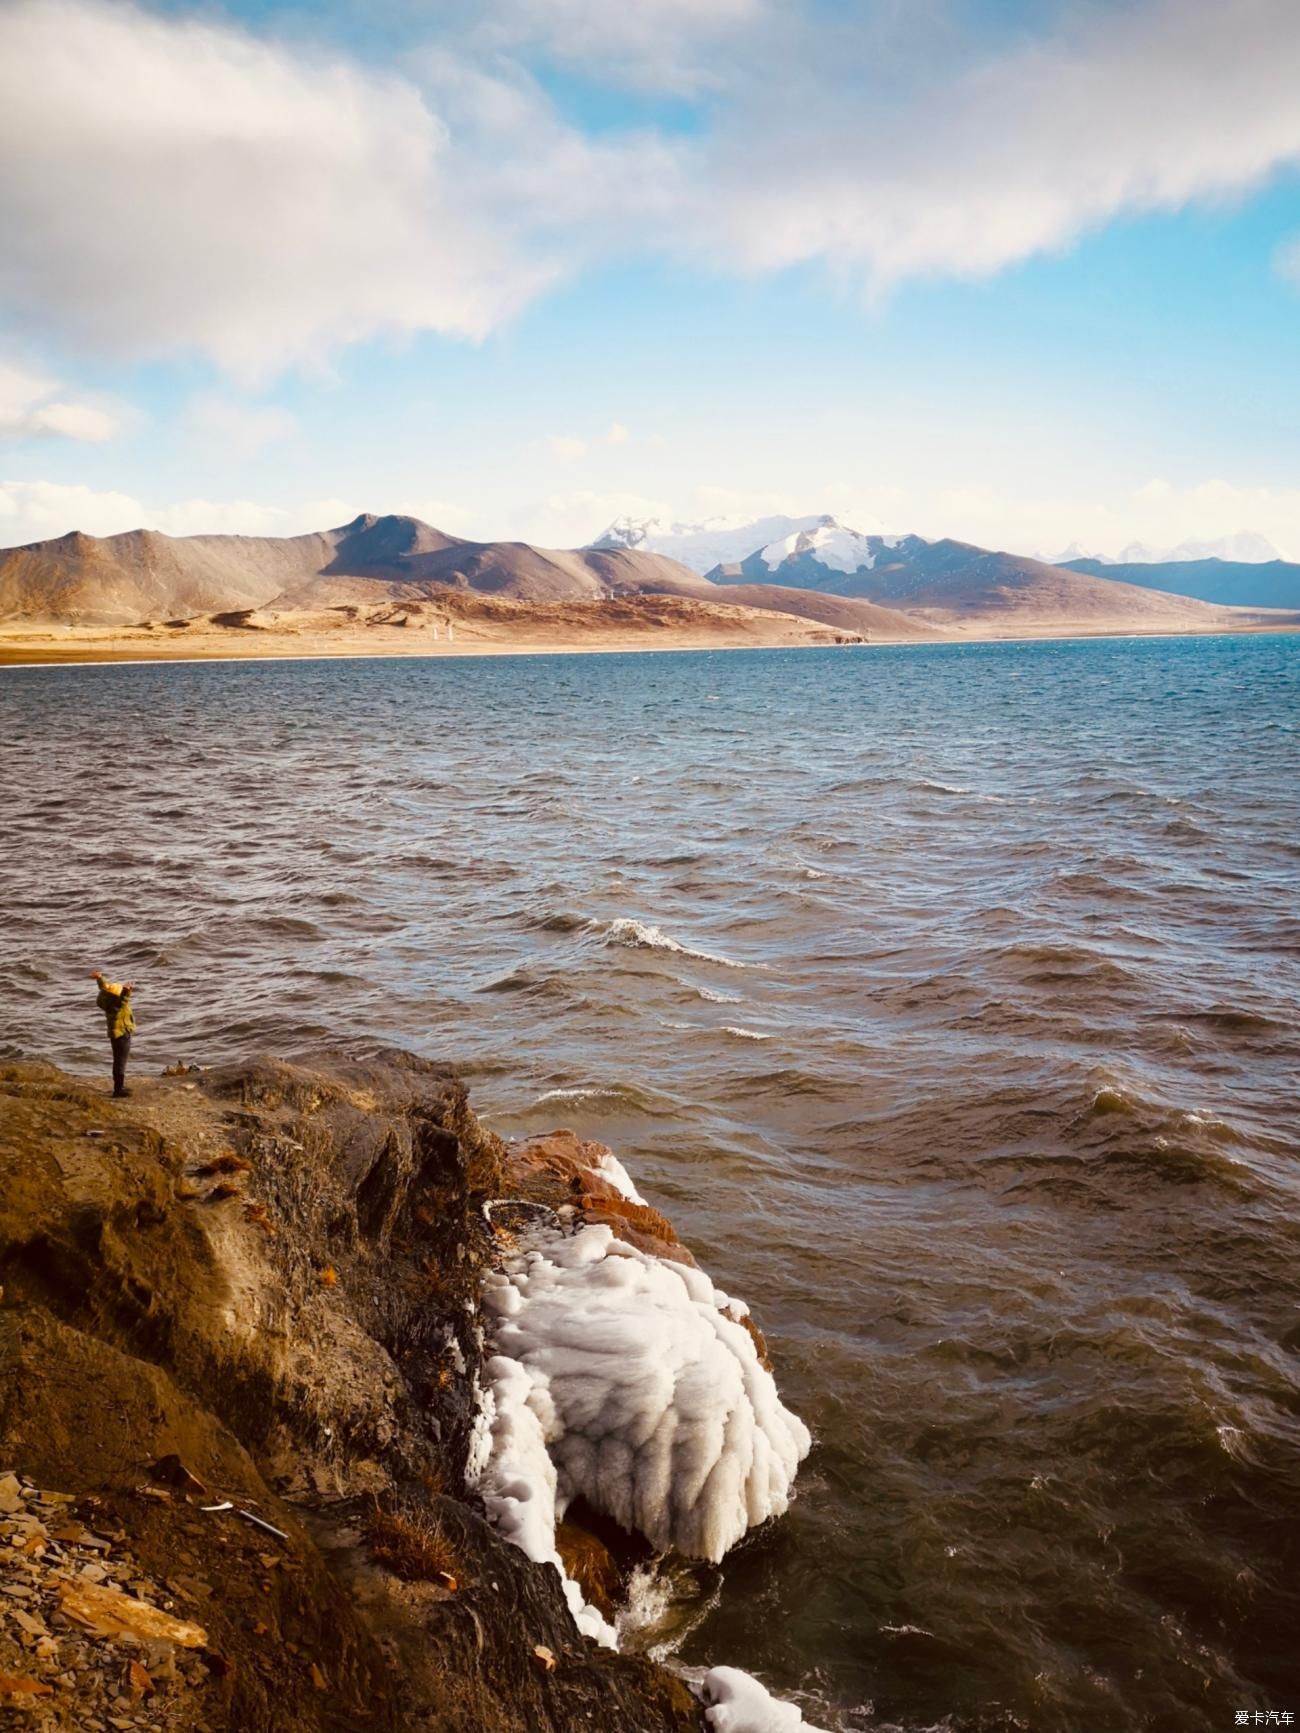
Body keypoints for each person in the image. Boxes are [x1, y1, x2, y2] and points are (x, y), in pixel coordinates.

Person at [91, 971, 136, 1098]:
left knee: (118, 1061)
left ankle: (118, 1087)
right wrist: (127, 992)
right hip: (122, 1034)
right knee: (121, 1062)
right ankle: (118, 1090)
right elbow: (122, 1001)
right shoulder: (117, 1006)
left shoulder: (106, 1000)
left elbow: (104, 987)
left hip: (115, 1034)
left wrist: (100, 978)